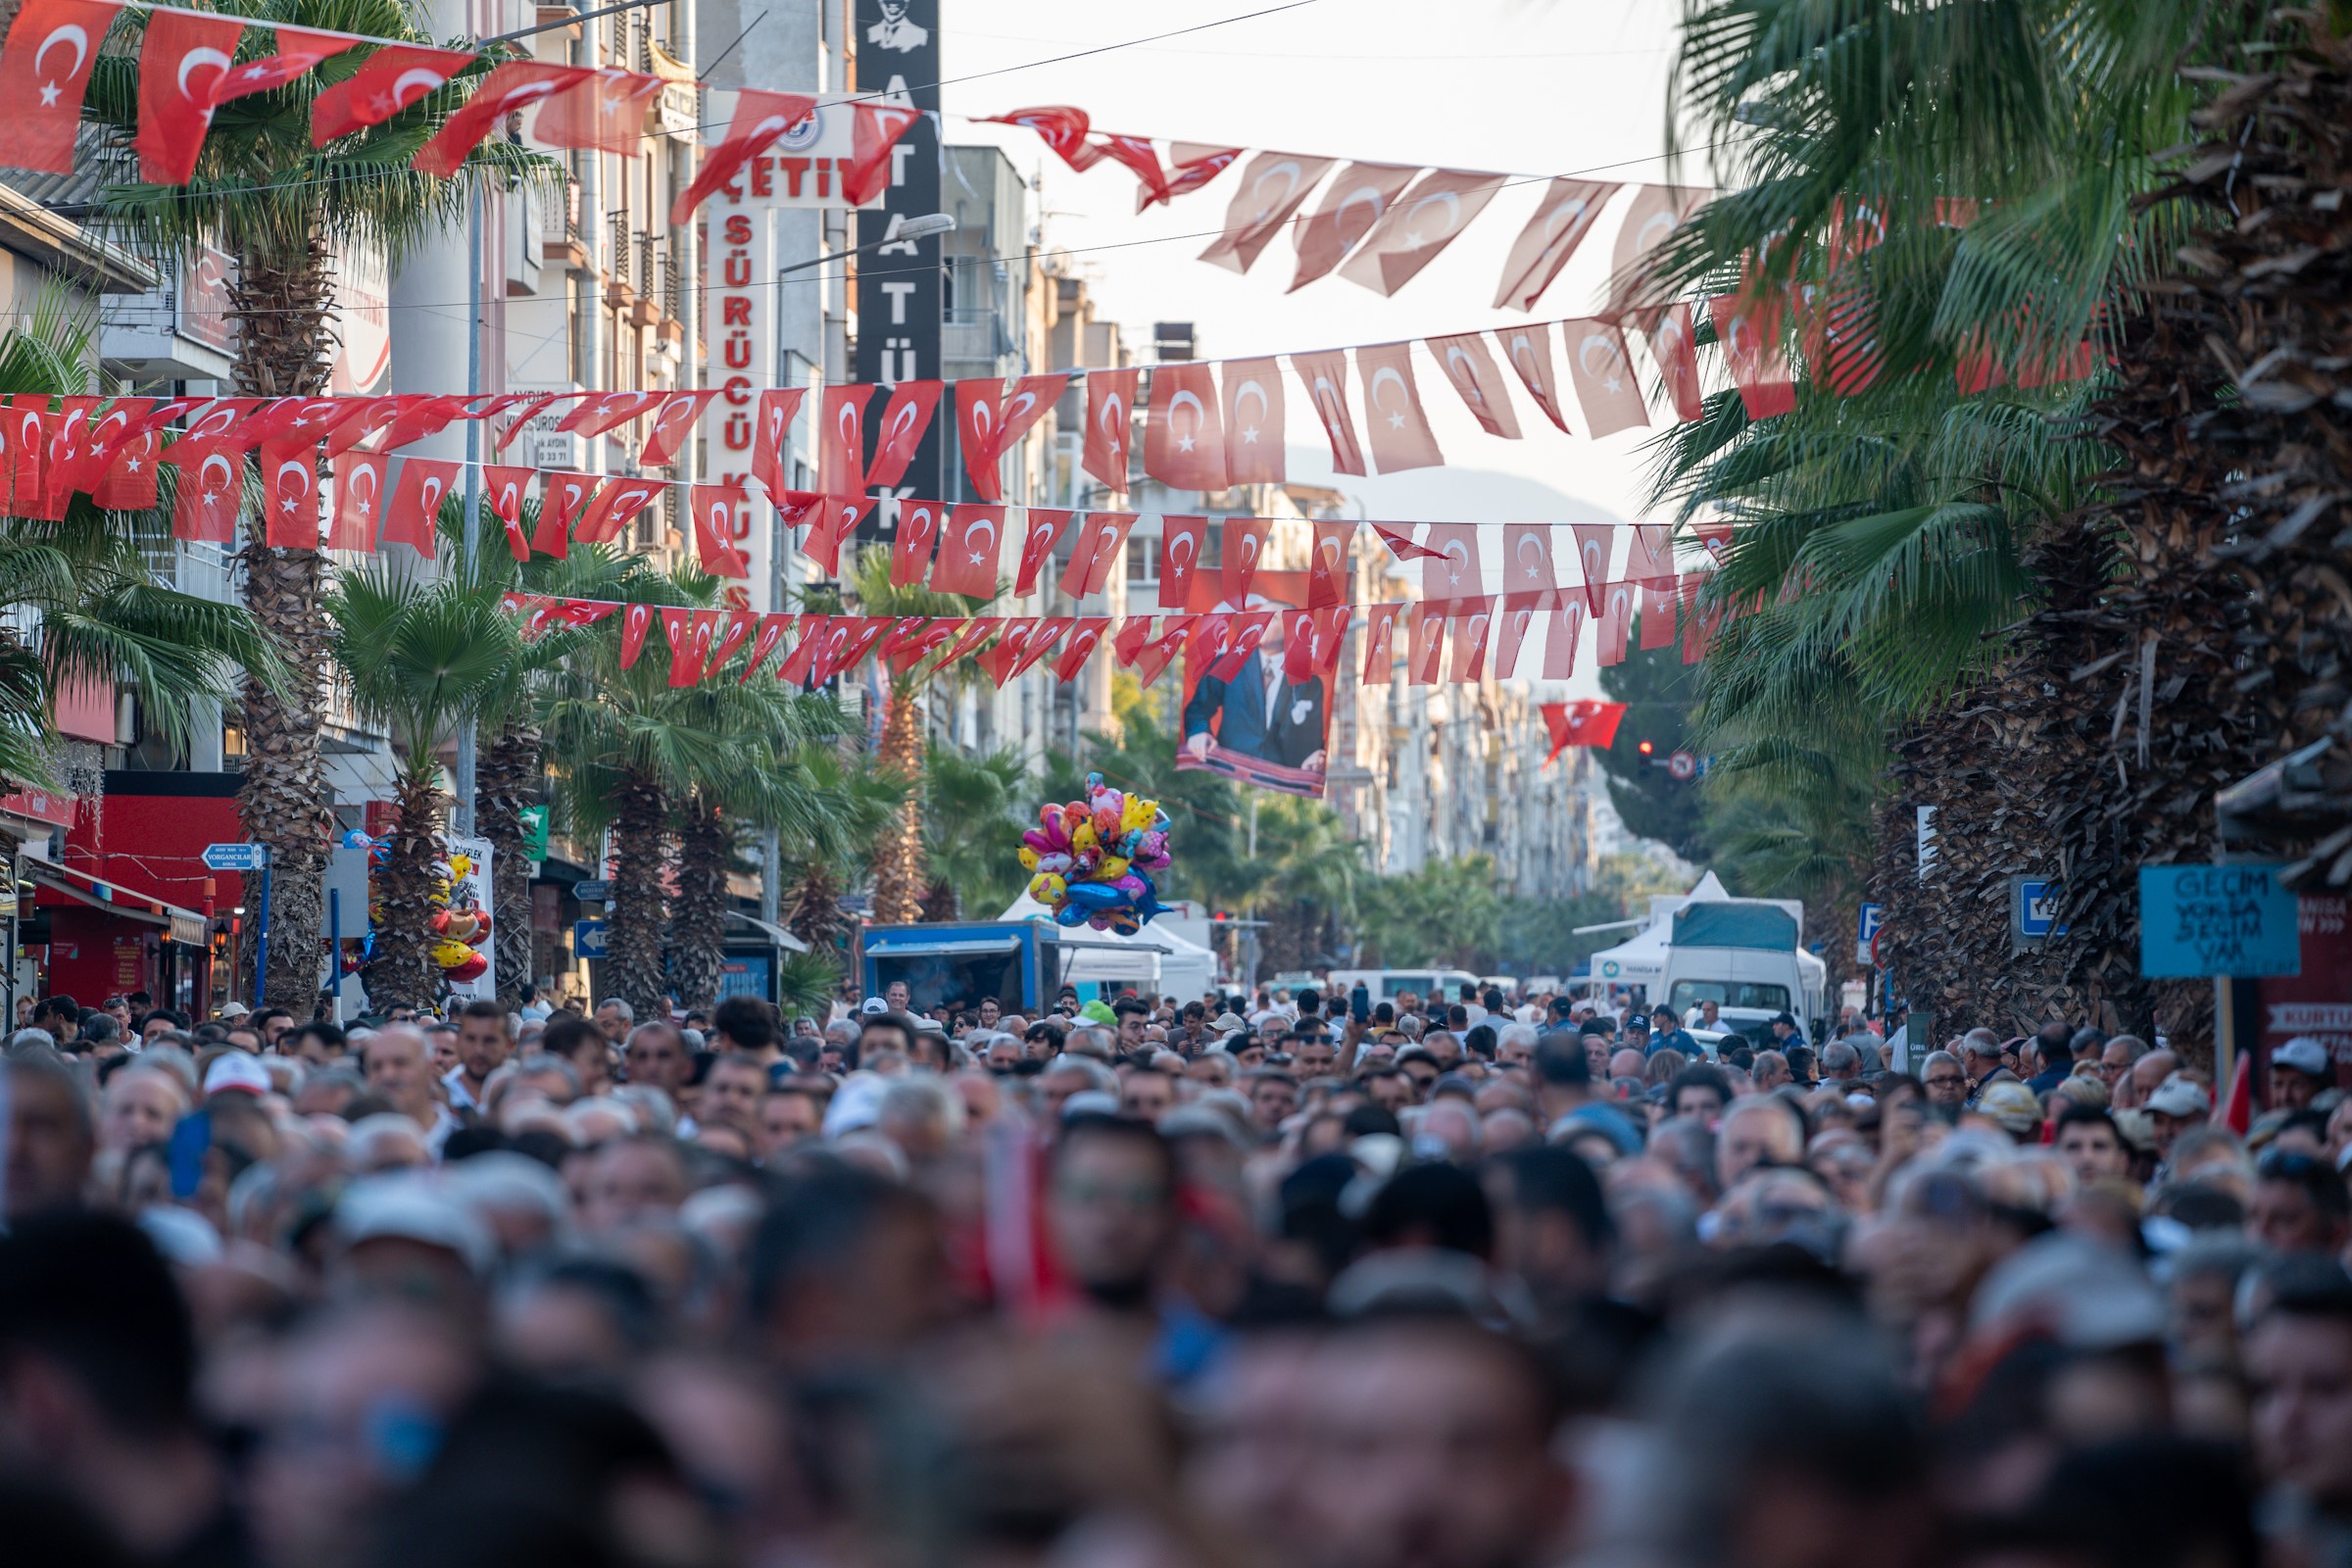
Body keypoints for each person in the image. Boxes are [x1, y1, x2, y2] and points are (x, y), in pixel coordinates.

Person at [1181, 609, 1328, 776]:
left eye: (1271, 618)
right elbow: (1198, 707)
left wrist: (1314, 756)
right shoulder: (1228, 663)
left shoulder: (1309, 683)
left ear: (1291, 628)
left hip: (1280, 780)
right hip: (1230, 773)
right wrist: (1199, 732)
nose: (1261, 623)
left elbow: (1312, 736)